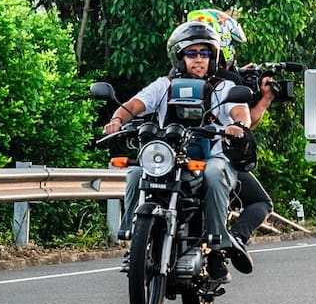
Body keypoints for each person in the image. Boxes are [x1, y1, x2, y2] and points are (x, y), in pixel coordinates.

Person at [105, 20, 251, 283]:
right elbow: (134, 105)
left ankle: (216, 249)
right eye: (191, 53)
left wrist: (238, 125)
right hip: (169, 157)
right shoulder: (164, 85)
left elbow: (240, 111)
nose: (198, 59)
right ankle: (132, 238)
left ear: (213, 57)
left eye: (204, 53)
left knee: (215, 175)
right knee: (137, 173)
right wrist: (117, 119)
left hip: (211, 158)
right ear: (180, 57)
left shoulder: (223, 88)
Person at [188, 8, 277, 270]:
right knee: (262, 202)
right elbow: (245, 121)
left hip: (176, 152)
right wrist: (266, 98)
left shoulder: (171, 77)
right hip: (216, 154)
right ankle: (231, 240)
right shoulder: (226, 80)